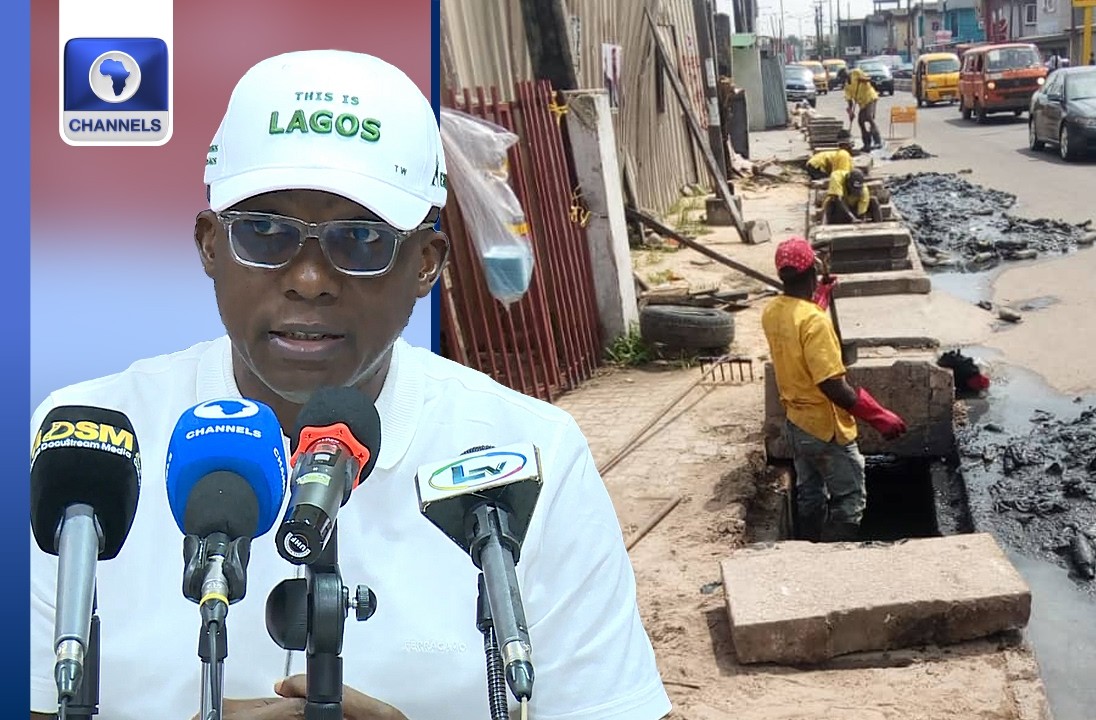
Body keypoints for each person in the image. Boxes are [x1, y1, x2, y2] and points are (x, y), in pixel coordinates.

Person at [28, 50, 671, 720]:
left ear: (425, 265)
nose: (310, 278)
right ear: (210, 245)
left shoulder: (532, 455)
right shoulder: (86, 442)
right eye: (267, 232)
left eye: (360, 238)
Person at [761, 238, 907, 543]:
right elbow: (831, 385)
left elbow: (798, 324)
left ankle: (809, 544)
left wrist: (820, 298)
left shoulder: (773, 311)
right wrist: (878, 416)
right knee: (850, 500)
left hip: (796, 423)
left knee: (811, 492)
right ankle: (834, 555)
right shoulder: (815, 322)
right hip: (826, 429)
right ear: (813, 270)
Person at [845, 68, 882, 151]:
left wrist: (862, 80)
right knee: (860, 121)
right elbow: (849, 101)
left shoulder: (856, 72)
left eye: (848, 76)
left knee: (869, 117)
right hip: (862, 104)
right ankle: (866, 142)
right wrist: (850, 112)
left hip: (870, 98)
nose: (847, 78)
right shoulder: (847, 87)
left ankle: (877, 141)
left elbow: (869, 79)